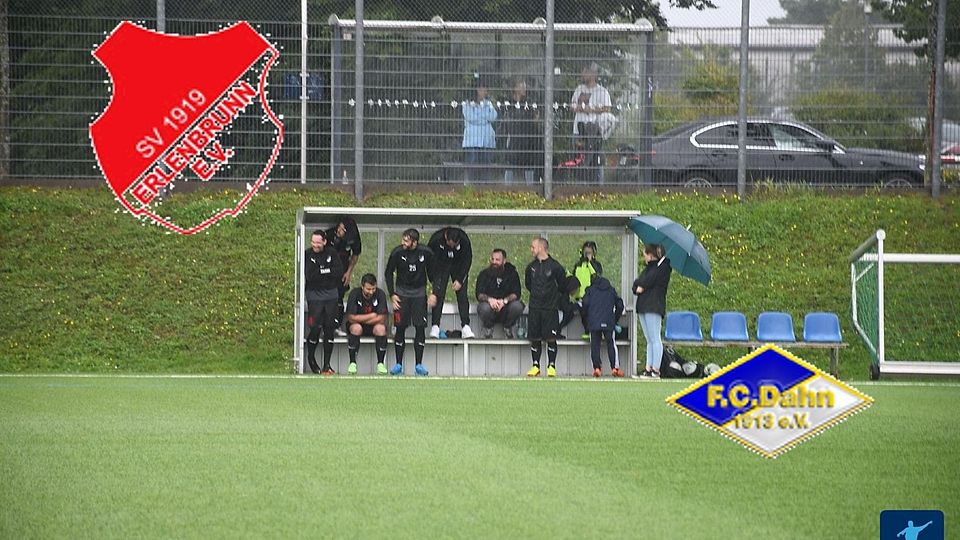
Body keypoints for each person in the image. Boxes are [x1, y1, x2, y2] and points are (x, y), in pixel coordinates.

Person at [385, 228, 437, 376]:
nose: (403, 242)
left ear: (414, 242)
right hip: (402, 294)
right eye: (403, 239)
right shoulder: (397, 252)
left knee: (420, 327)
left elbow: (434, 275)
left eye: (406, 240)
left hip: (419, 294)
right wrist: (392, 294)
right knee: (400, 327)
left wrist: (434, 293)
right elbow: (388, 273)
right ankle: (398, 364)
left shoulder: (426, 252)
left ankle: (419, 365)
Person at [303, 229, 344, 375]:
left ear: (325, 242)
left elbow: (338, 272)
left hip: (331, 295)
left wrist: (322, 271)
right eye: (313, 242)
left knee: (329, 328)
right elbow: (310, 275)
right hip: (314, 295)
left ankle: (327, 365)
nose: (315, 245)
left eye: (318, 242)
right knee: (315, 327)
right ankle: (311, 358)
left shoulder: (332, 253)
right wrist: (327, 271)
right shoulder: (307, 254)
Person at [525, 236, 567, 377]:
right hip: (535, 307)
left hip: (550, 308)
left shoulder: (555, 267)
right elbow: (528, 285)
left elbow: (562, 286)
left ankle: (551, 366)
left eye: (533, 247)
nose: (531, 249)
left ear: (541, 247)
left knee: (551, 337)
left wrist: (552, 298)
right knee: (535, 337)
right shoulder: (531, 267)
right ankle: (535, 366)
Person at [427, 226, 474, 339]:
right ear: (446, 238)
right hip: (441, 265)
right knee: (438, 294)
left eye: (455, 245)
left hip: (458, 265)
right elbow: (429, 261)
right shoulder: (436, 240)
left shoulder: (464, 240)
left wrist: (460, 279)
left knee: (462, 294)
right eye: (450, 244)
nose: (452, 247)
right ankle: (435, 326)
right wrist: (433, 280)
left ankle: (466, 326)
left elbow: (467, 260)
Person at [633, 244, 672, 378]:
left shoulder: (663, 268)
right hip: (643, 306)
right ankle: (648, 368)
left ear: (651, 255)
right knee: (649, 339)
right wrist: (639, 286)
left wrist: (642, 285)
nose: (644, 257)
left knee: (655, 338)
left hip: (654, 306)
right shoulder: (649, 269)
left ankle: (656, 369)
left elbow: (647, 281)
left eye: (645, 254)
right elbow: (637, 284)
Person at [570, 63, 611, 184]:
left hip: (594, 133)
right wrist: (580, 108)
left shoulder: (602, 91)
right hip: (578, 131)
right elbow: (572, 105)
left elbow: (607, 108)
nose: (582, 75)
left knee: (595, 159)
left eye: (585, 72)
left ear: (593, 74)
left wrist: (591, 109)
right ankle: (580, 185)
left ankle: (598, 186)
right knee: (579, 158)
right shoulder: (579, 89)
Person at [344, 273, 389, 375]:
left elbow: (382, 318)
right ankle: (352, 363)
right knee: (356, 328)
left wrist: (360, 318)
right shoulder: (354, 294)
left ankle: (380, 364)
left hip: (373, 326)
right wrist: (372, 315)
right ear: (362, 286)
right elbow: (351, 318)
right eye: (368, 289)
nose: (371, 292)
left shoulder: (380, 294)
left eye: (373, 289)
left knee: (381, 329)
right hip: (357, 326)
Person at [581, 274, 625, 377]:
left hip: (594, 322)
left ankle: (597, 368)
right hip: (609, 321)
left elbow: (585, 304)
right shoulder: (611, 290)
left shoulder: (590, 290)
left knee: (595, 345)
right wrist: (615, 318)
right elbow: (620, 305)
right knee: (611, 343)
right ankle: (615, 368)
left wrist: (586, 319)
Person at [475, 248, 524, 339]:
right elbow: (479, 294)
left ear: (504, 261)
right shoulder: (484, 274)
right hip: (490, 307)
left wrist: (504, 301)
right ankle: (488, 328)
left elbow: (516, 293)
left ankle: (508, 327)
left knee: (517, 306)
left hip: (506, 307)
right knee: (483, 307)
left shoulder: (512, 274)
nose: (494, 262)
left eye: (497, 260)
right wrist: (490, 300)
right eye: (492, 259)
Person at [326, 216, 362, 335]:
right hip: (327, 272)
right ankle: (325, 326)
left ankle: (337, 326)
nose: (340, 231)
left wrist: (349, 272)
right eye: (340, 228)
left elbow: (355, 254)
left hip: (342, 271)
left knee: (339, 298)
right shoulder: (329, 235)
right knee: (327, 298)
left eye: (343, 230)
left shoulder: (353, 238)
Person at [560, 240, 603, 339]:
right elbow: (574, 278)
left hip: (591, 296)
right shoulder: (578, 265)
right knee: (575, 310)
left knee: (588, 312)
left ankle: (591, 331)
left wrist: (589, 262)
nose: (587, 254)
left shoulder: (596, 265)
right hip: (579, 296)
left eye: (589, 252)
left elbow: (596, 276)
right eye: (585, 252)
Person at [502, 79, 541, 185]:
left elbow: (534, 119)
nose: (524, 88)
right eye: (521, 86)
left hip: (527, 138)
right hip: (514, 138)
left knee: (528, 164)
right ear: (515, 88)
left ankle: (530, 189)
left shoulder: (529, 102)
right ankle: (507, 188)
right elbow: (507, 119)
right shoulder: (509, 102)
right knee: (510, 164)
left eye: (525, 86)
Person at [462, 78, 497, 183]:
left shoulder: (488, 103)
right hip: (472, 142)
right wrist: (485, 118)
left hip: (487, 141)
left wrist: (480, 116)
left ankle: (485, 189)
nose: (485, 91)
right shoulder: (467, 104)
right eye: (482, 89)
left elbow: (493, 116)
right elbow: (471, 117)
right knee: (472, 168)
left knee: (486, 169)